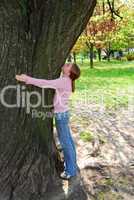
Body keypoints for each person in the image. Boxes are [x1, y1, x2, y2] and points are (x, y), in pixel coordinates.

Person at [15, 63, 81, 180]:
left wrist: (26, 79)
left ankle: (70, 171)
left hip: (61, 115)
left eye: (68, 65)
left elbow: (45, 83)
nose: (66, 64)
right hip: (63, 114)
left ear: (69, 72)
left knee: (66, 143)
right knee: (68, 141)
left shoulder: (64, 81)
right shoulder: (65, 80)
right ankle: (72, 166)